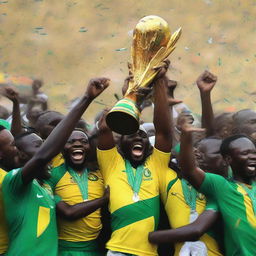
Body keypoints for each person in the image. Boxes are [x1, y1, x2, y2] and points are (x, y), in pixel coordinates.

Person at [1, 77, 110, 256]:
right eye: (39, 146)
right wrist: (86, 99)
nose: (49, 151)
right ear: (20, 155)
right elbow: (45, 155)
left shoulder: (44, 186)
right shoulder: (13, 182)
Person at [97, 61, 173, 256]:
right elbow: (105, 126)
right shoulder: (112, 163)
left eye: (143, 136)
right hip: (117, 251)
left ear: (149, 145)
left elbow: (164, 132)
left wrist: (160, 82)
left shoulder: (156, 164)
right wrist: (130, 95)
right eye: (131, 134)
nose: (138, 137)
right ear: (121, 142)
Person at [179, 121, 256, 255]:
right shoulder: (222, 186)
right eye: (245, 153)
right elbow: (189, 169)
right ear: (227, 159)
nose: (253, 156)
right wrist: (185, 137)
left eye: (254, 152)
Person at [46, 128, 109, 256]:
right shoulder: (53, 175)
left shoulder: (99, 173)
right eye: (71, 141)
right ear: (62, 148)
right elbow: (68, 213)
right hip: (64, 249)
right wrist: (104, 200)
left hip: (95, 248)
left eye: (83, 141)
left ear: (90, 148)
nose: (78, 144)